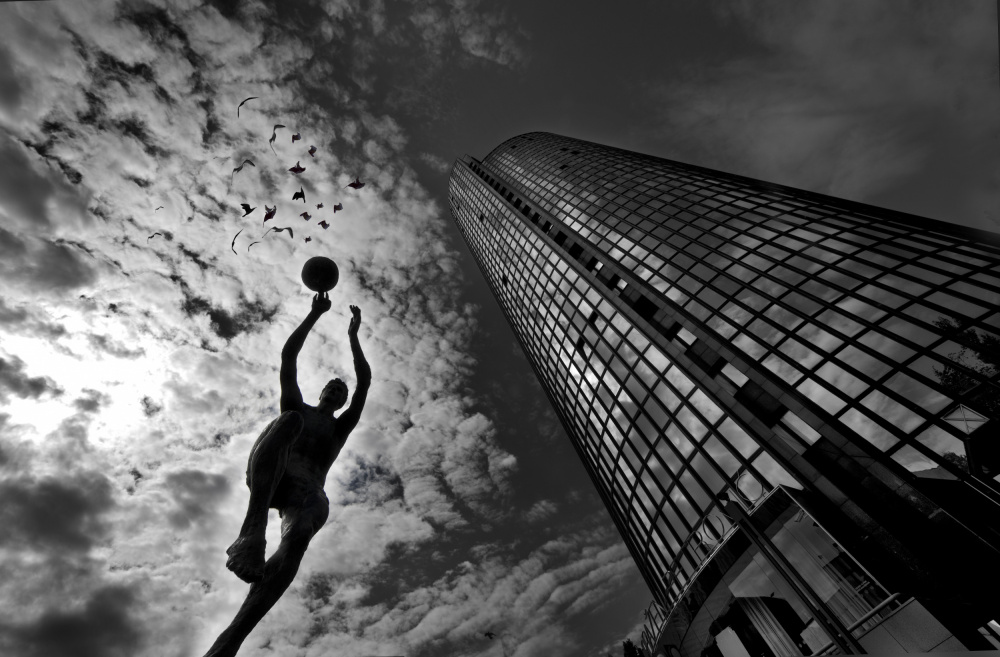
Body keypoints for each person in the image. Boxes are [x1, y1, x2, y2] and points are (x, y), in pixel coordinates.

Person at [204, 293, 370, 657]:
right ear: (323, 390)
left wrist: (354, 336)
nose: (338, 391)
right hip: (272, 476)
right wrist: (314, 315)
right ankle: (252, 532)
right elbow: (289, 358)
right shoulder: (299, 406)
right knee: (289, 419)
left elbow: (364, 384)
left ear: (343, 400)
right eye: (333, 387)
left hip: (307, 494)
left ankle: (227, 644)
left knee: (296, 542)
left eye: (342, 391)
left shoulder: (340, 427)